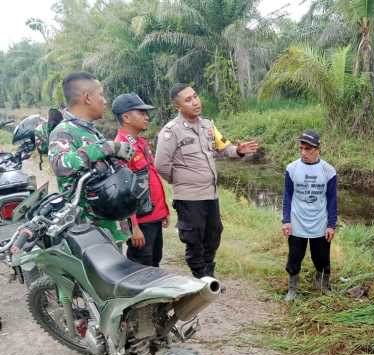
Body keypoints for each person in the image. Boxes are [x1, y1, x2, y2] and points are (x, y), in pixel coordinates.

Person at [155, 84, 258, 278]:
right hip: (189, 197)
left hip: (211, 194)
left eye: (195, 96)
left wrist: (238, 150)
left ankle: (208, 271)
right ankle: (200, 275)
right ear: (178, 106)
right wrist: (181, 181)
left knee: (214, 233)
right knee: (193, 236)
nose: (195, 102)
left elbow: (224, 147)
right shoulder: (171, 131)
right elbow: (161, 164)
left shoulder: (208, 126)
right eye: (188, 100)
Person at [48, 72, 135, 242]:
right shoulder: (64, 131)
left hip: (107, 225)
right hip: (88, 231)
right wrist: (106, 147)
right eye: (101, 94)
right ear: (87, 98)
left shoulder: (89, 130)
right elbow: (60, 164)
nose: (105, 100)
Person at [112, 93, 169, 267]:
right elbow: (122, 191)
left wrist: (163, 211)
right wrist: (133, 227)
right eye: (141, 112)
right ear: (126, 117)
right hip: (141, 222)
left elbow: (149, 178)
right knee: (140, 267)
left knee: (154, 261)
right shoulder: (121, 147)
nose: (146, 117)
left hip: (153, 216)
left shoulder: (140, 143)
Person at [282, 130, 337, 301]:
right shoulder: (292, 169)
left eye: (308, 149)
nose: (303, 153)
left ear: (317, 149)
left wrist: (331, 225)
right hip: (297, 221)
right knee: (294, 257)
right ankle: (292, 289)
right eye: (301, 148)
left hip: (320, 222)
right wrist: (286, 220)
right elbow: (287, 196)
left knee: (321, 257)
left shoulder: (328, 171)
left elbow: (332, 200)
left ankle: (323, 284)